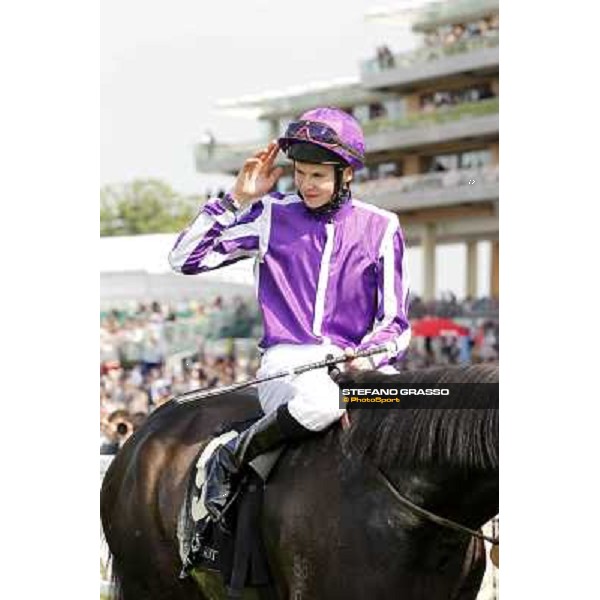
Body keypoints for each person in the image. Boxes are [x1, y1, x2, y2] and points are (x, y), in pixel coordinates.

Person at [169, 107, 411, 523]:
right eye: (300, 172)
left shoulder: (383, 227)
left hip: (357, 367)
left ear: (346, 174)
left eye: (317, 175)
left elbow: (396, 323)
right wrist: (237, 200)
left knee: (421, 405)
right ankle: (232, 454)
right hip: (287, 363)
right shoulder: (270, 216)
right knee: (325, 400)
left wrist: (368, 356)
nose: (306, 184)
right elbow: (185, 258)